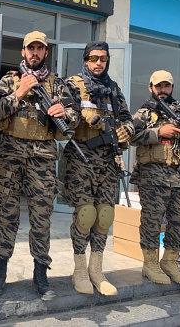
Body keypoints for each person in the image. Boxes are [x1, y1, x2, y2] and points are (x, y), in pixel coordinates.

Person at [0, 31, 79, 296]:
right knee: (6, 215)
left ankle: (40, 272)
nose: (35, 53)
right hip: (11, 156)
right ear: (23, 52)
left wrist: (65, 113)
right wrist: (19, 93)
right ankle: (0, 270)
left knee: (41, 218)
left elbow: (75, 116)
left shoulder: (57, 84)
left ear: (46, 52)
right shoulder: (10, 80)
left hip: (43, 158)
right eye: (31, 48)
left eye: (40, 49)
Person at [64, 41, 134, 296]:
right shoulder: (73, 85)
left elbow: (127, 119)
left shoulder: (113, 89)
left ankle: (97, 269)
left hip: (108, 161)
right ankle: (80, 269)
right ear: (85, 59)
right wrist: (84, 116)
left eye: (103, 59)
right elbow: (65, 115)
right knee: (85, 215)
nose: (98, 63)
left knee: (104, 215)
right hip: (81, 158)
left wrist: (127, 130)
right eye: (94, 58)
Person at [129, 70, 180, 286]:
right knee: (152, 221)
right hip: (153, 176)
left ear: (172, 88)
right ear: (150, 88)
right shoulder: (144, 113)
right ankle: (150, 264)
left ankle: (169, 261)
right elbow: (130, 136)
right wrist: (159, 132)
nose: (162, 90)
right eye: (158, 86)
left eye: (166, 86)